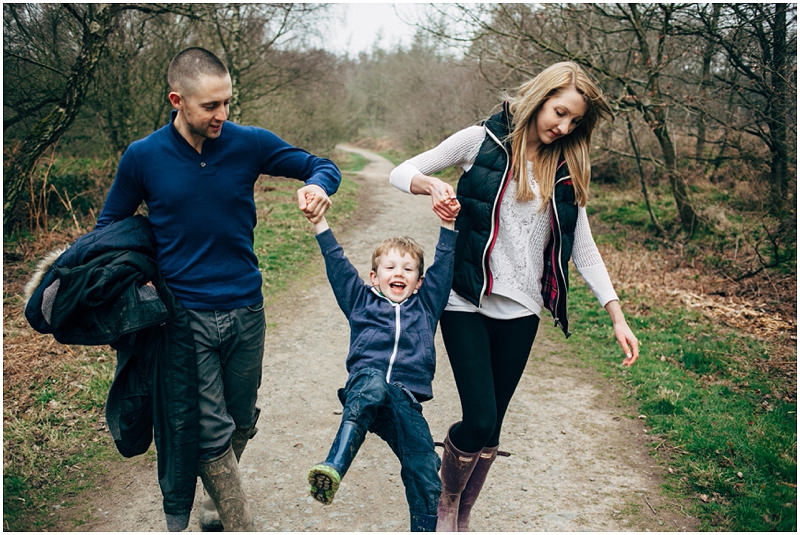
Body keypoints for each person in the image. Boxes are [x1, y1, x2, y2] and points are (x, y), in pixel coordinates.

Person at [95, 47, 341, 531]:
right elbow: (110, 227)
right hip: (183, 315)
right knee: (208, 429)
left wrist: (318, 186)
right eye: (211, 106)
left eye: (227, 103)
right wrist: (137, 274)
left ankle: (214, 497)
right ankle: (235, 520)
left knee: (242, 418)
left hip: (246, 306)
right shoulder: (143, 157)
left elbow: (320, 163)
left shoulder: (247, 143)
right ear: (177, 100)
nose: (222, 115)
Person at [388, 61, 640, 532]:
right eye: (559, 112)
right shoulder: (480, 140)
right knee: (479, 417)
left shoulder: (563, 166)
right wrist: (433, 185)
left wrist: (616, 314)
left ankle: (462, 513)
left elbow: (581, 246)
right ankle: (445, 499)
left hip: (522, 308)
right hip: (464, 297)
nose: (562, 127)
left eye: (573, 122)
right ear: (541, 97)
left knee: (494, 427)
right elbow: (402, 171)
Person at [301, 190, 460, 532]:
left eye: (408, 268)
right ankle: (332, 468)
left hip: (404, 398)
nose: (398, 272)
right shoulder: (360, 301)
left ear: (419, 282)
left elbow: (444, 267)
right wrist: (320, 224)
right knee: (372, 382)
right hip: (365, 388)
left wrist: (448, 224)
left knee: (425, 467)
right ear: (374, 277)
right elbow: (338, 264)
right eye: (389, 267)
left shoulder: (427, 305)